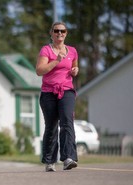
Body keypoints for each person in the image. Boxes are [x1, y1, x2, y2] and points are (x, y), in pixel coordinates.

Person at [36, 21, 79, 172]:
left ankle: (68, 158)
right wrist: (56, 61)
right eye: (56, 31)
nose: (59, 33)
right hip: (49, 92)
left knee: (67, 121)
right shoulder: (46, 50)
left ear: (66, 33)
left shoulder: (72, 51)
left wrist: (75, 70)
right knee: (51, 125)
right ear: (51, 33)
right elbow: (39, 71)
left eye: (62, 31)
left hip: (66, 90)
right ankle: (49, 161)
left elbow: (74, 66)